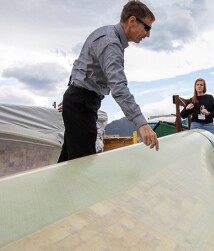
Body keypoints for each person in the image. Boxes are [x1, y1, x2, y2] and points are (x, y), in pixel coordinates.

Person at [58, 1, 158, 163]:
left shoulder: (104, 33)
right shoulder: (111, 43)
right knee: (83, 165)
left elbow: (81, 65)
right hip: (81, 105)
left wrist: (72, 94)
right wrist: (142, 123)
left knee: (68, 162)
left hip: (78, 101)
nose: (148, 34)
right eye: (147, 28)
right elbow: (118, 86)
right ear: (132, 21)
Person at [180, 78, 214, 176]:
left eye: (201, 85)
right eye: (198, 85)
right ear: (195, 87)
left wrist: (208, 113)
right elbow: (182, 115)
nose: (199, 86)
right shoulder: (192, 100)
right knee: (194, 147)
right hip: (196, 124)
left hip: (208, 124)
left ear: (204, 86)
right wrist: (187, 108)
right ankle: (196, 172)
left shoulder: (209, 98)